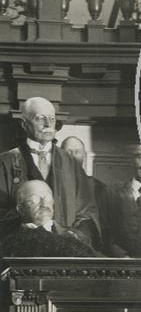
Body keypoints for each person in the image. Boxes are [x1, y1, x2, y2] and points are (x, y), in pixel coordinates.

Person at [0, 97, 99, 245]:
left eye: (51, 119)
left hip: (64, 248)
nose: (48, 124)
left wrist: (75, 236)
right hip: (20, 248)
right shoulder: (5, 162)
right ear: (24, 124)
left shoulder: (71, 164)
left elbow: (86, 211)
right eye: (40, 119)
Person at [0, 180, 95, 257]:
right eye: (35, 199)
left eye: (48, 198)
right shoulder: (5, 237)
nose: (44, 204)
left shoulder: (76, 236)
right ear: (20, 209)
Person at [61, 136, 111, 252]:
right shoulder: (51, 184)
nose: (72, 155)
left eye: (77, 152)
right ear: (60, 154)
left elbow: (102, 223)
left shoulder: (99, 187)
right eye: (68, 151)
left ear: (84, 156)